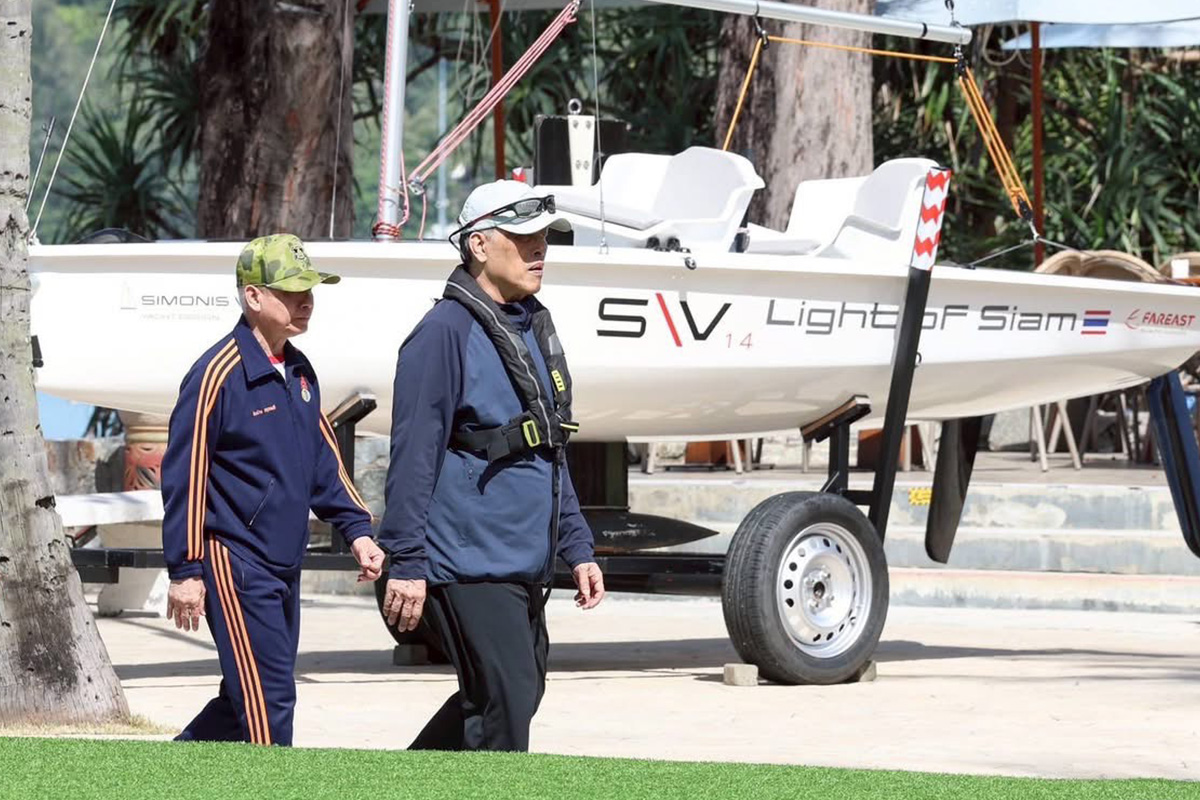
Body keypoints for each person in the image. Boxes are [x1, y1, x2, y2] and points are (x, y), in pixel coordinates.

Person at [379, 180, 606, 752]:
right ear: (479, 245)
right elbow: (411, 456)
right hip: (468, 559)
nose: (539, 250)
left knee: (513, 695)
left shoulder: (528, 326)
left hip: (524, 558)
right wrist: (405, 561)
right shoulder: (442, 335)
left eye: (544, 239)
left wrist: (576, 545)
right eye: (524, 237)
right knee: (503, 705)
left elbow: (551, 446)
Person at [161, 233, 385, 746]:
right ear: (253, 296)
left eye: (310, 289)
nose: (306, 300)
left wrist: (357, 531)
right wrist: (187, 570)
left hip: (283, 562)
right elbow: (185, 476)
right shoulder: (216, 374)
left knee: (242, 699)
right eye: (292, 290)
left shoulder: (300, 371)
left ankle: (162, 778)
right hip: (233, 558)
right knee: (270, 697)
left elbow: (323, 461)